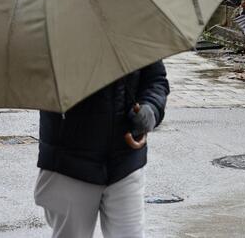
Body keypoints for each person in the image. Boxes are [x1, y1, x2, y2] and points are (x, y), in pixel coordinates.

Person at [34, 61, 170, 238]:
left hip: (126, 162)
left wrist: (151, 108)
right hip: (69, 164)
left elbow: (155, 79)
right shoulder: (52, 37)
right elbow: (36, 84)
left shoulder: (134, 33)